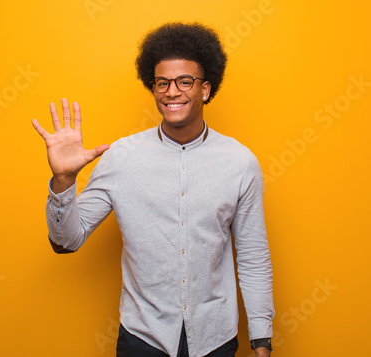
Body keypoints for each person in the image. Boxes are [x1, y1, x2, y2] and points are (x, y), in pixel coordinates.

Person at [32, 22, 274, 357]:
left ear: (205, 89)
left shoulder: (240, 162)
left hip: (215, 338)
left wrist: (261, 340)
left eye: (184, 81)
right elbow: (66, 241)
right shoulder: (121, 157)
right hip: (142, 338)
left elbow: (252, 257)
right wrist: (63, 181)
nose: (172, 91)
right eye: (163, 83)